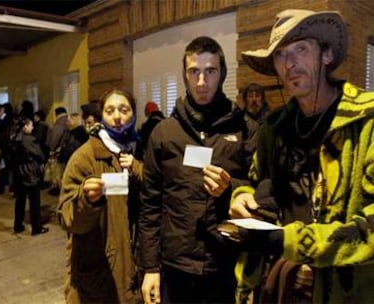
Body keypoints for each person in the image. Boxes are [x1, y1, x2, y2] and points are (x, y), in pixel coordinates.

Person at [228, 9, 374, 304]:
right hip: (280, 286)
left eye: (301, 49)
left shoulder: (366, 122)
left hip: (345, 292)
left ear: (327, 55)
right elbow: (258, 184)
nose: (290, 64)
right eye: (280, 55)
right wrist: (242, 197)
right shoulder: (274, 128)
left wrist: (294, 243)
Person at [138, 36, 250, 304]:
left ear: (222, 73)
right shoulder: (164, 132)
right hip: (175, 266)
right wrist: (150, 268)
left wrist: (230, 188)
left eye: (210, 71)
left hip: (225, 264)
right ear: (185, 75)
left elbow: (260, 190)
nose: (202, 82)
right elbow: (150, 205)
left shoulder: (243, 128)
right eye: (194, 72)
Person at [57, 88, 143, 303]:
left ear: (133, 113)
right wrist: (86, 200)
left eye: (124, 110)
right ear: (101, 116)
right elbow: (66, 218)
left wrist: (139, 169)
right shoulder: (85, 157)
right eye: (110, 110)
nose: (117, 117)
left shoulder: (139, 150)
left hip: (137, 269)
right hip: (99, 277)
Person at [12, 117, 48, 236]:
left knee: (20, 201)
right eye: (31, 125)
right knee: (34, 201)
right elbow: (40, 155)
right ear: (25, 127)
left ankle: (18, 225)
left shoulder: (15, 138)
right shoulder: (29, 140)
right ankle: (36, 227)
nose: (32, 127)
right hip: (30, 173)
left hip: (18, 173)